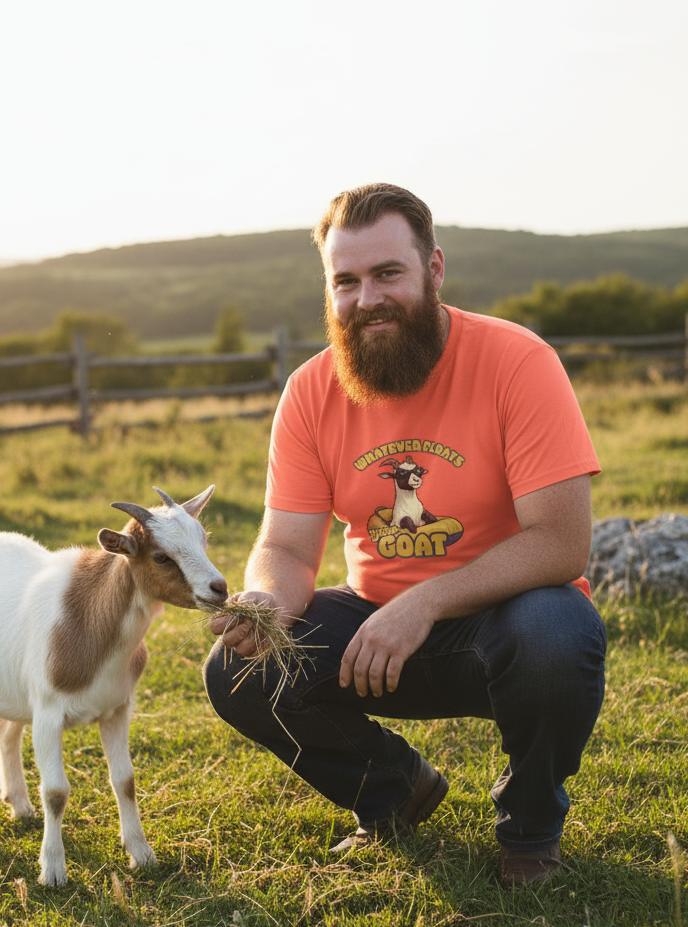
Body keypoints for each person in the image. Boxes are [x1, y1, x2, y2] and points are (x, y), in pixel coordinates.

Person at [204, 183, 607, 886]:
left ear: (434, 269)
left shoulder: (518, 362)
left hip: (502, 630)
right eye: (347, 281)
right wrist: (269, 597)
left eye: (388, 273)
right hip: (373, 639)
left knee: (556, 632)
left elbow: (560, 543)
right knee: (240, 666)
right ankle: (393, 793)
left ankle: (531, 830)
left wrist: (421, 604)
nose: (368, 299)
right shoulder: (309, 391)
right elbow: (289, 547)